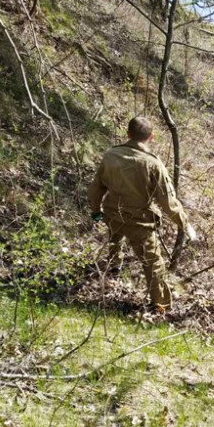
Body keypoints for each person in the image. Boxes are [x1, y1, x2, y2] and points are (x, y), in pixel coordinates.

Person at [88, 116, 197, 311]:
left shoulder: (110, 155)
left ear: (128, 134)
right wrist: (185, 224)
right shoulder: (153, 164)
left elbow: (97, 187)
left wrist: (95, 210)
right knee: (153, 263)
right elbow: (168, 202)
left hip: (112, 214)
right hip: (140, 223)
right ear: (151, 137)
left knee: (115, 236)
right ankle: (160, 304)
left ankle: (114, 266)